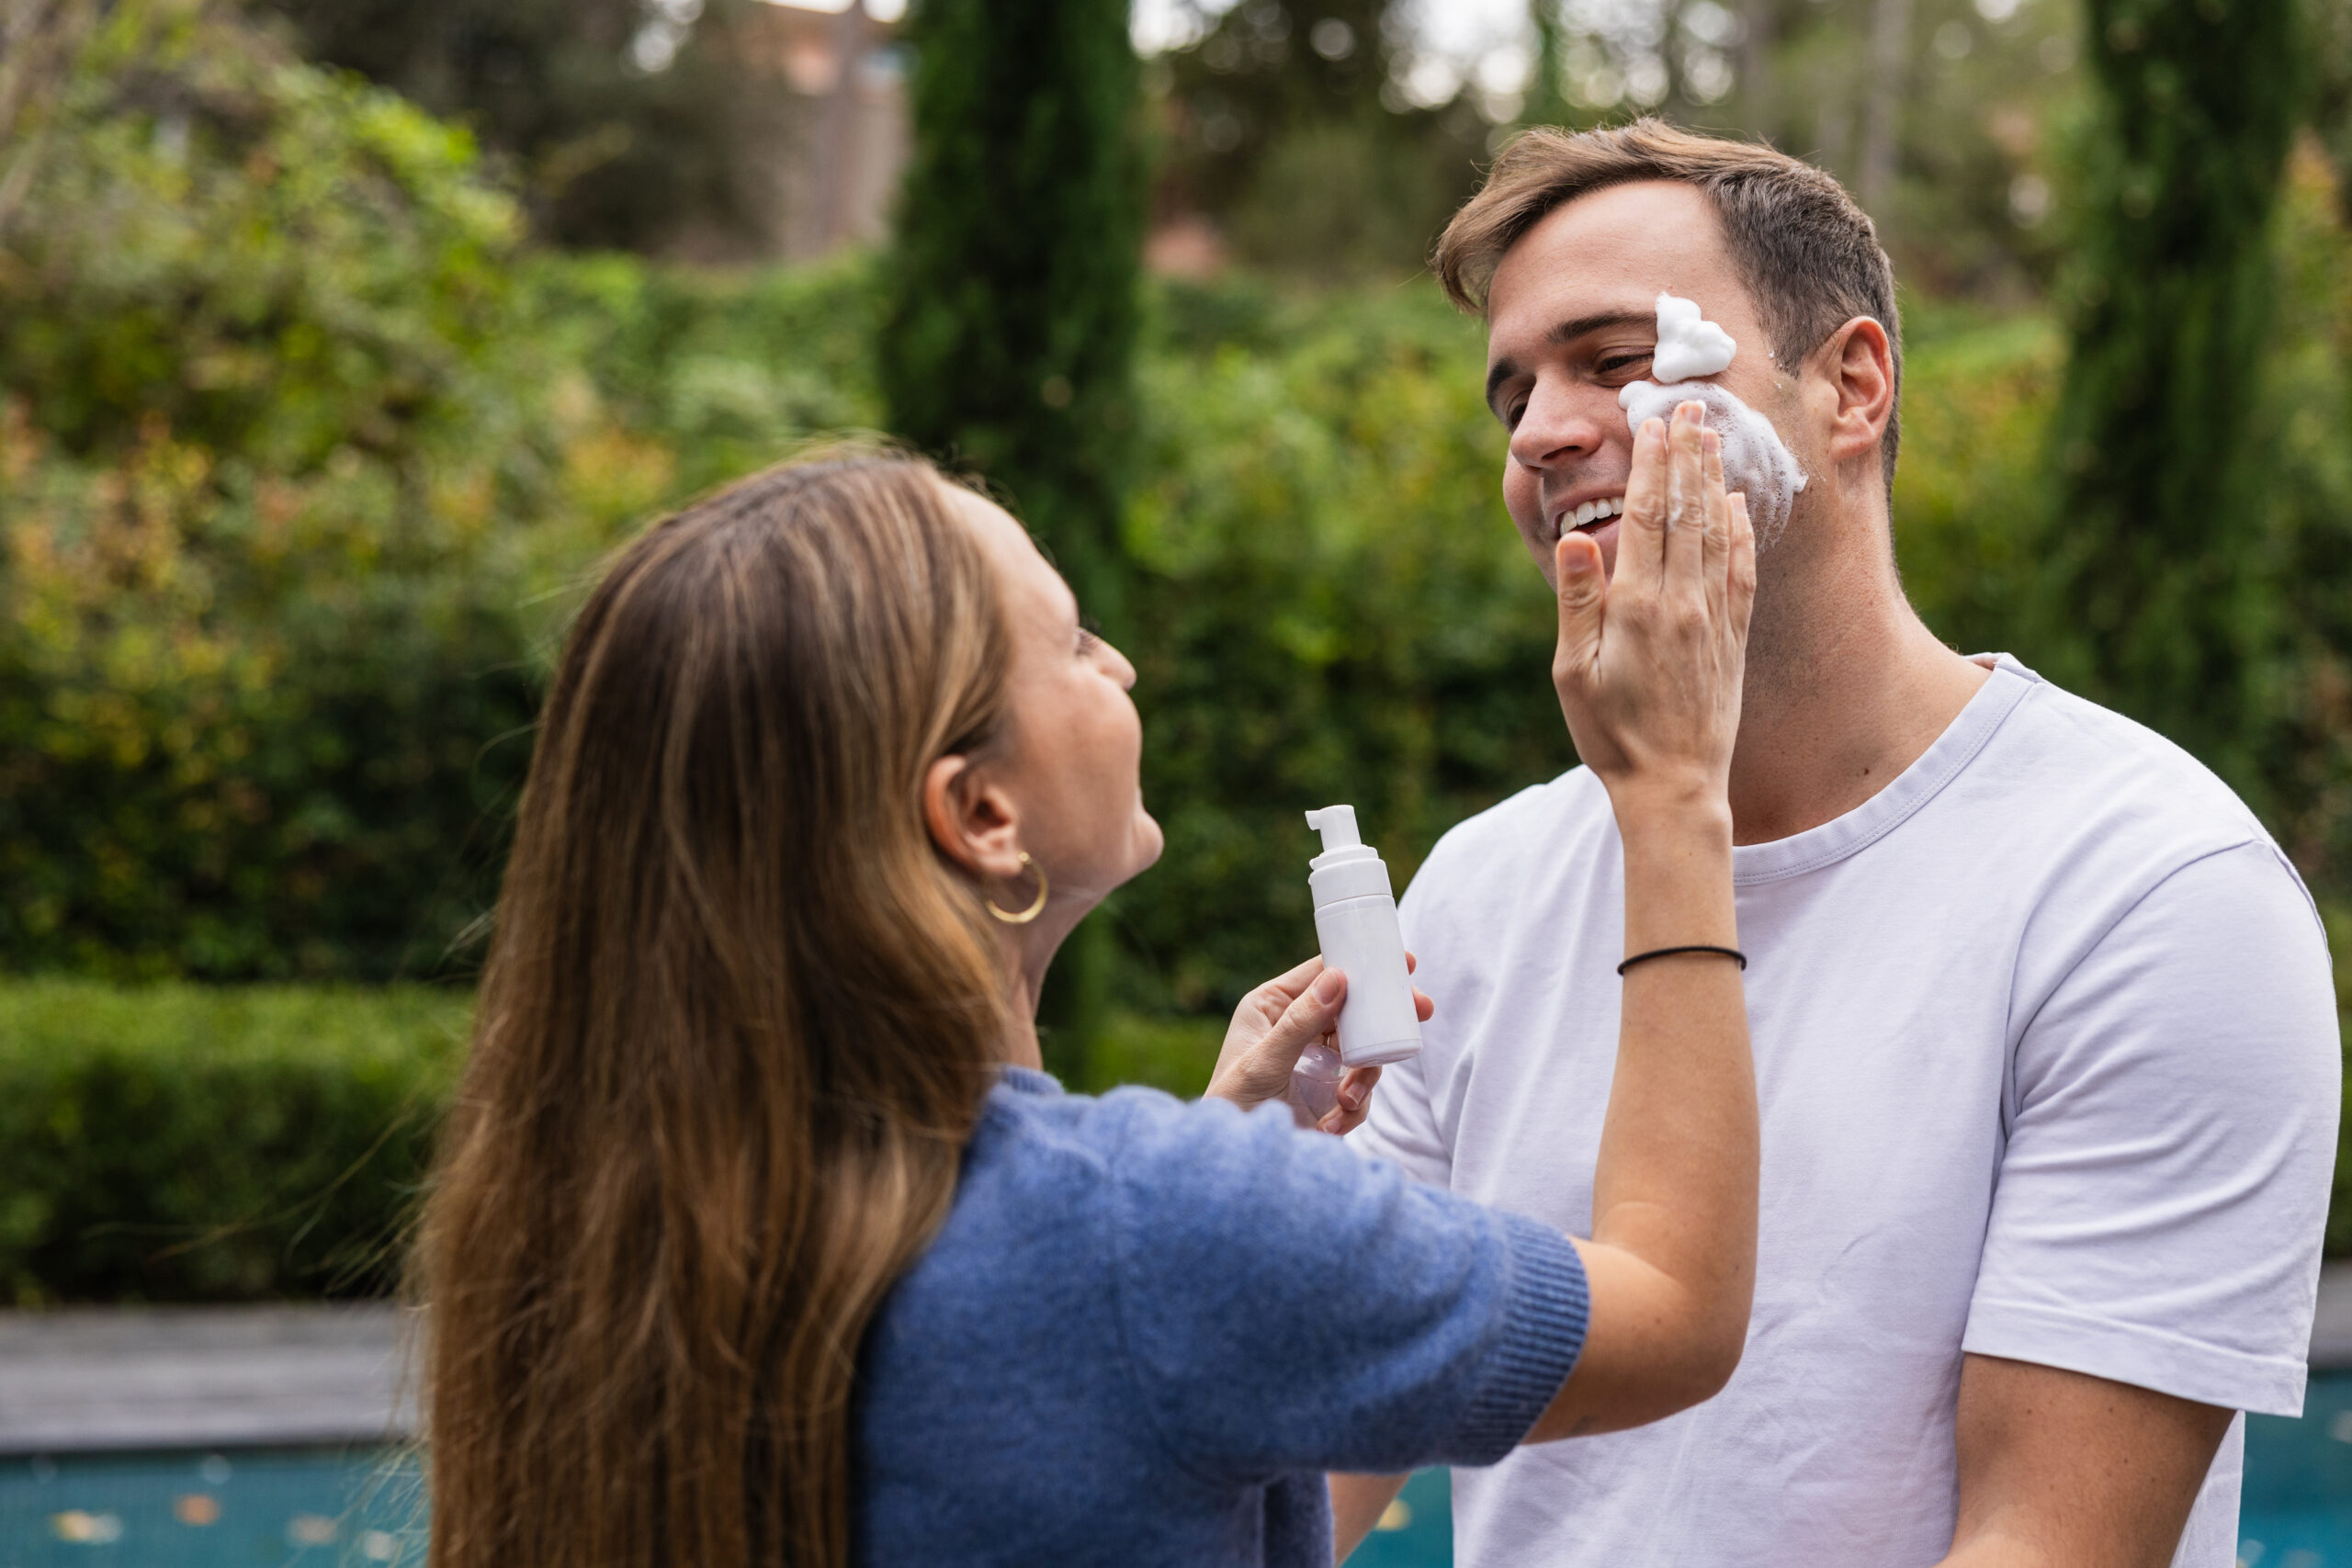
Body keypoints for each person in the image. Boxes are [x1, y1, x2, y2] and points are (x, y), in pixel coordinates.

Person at [413, 426, 1759, 1568]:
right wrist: (1673, 791)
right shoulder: (1157, 1228)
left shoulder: (616, 1230)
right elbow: (1675, 1313)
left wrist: (1219, 1152)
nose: (1118, 667)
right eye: (1072, 641)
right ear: (983, 814)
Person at [1332, 119, 2343, 1568]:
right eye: (1515, 397)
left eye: (1616, 361)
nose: (1543, 431)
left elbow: (2045, 1547)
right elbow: (1307, 1491)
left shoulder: (2150, 891)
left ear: (1850, 387)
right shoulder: (1483, 890)